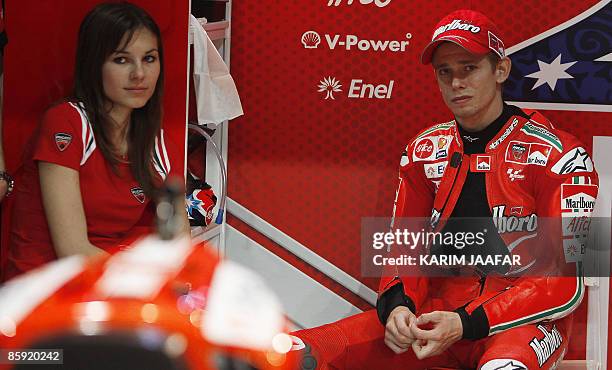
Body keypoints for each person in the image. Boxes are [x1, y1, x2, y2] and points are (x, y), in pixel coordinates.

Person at [292, 9, 598, 370]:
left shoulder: (561, 156)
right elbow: (404, 249)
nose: (456, 83)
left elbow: (566, 283)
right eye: (445, 71)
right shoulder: (423, 152)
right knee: (301, 351)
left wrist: (467, 323)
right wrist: (399, 307)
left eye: (469, 67)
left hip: (525, 324)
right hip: (437, 319)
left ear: (500, 70)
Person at [6, 2, 188, 279]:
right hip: (43, 291)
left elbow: (180, 244)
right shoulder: (67, 122)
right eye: (121, 60)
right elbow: (73, 250)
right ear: (95, 64)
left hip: (105, 290)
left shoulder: (159, 145)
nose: (139, 74)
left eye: (149, 58)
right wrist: (145, 282)